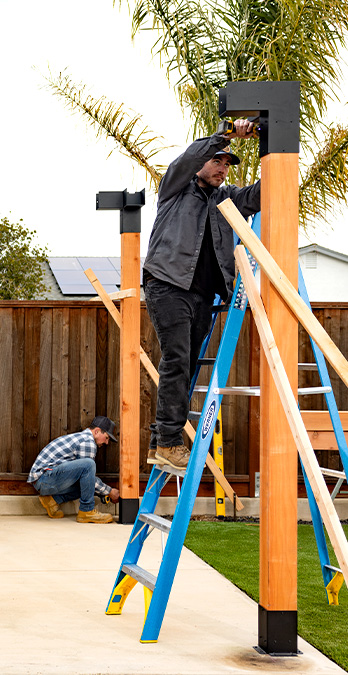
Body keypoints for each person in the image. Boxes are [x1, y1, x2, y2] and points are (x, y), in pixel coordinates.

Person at [143, 118, 260, 471]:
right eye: (218, 160)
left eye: (227, 163)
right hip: (168, 285)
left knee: (187, 366)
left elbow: (260, 195)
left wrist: (272, 141)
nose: (222, 167)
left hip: (203, 297)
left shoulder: (228, 199)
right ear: (203, 163)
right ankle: (168, 441)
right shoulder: (176, 187)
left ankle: (158, 442)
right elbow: (189, 157)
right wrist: (227, 133)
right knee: (177, 359)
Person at [27, 416, 121, 524]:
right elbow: (88, 472)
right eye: (107, 437)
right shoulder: (88, 441)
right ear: (97, 431)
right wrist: (109, 491)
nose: (107, 443)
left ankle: (52, 500)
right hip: (44, 478)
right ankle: (87, 511)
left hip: (44, 480)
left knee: (86, 483)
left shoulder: (82, 438)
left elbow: (87, 480)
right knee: (89, 464)